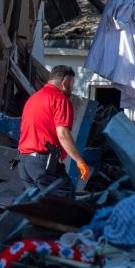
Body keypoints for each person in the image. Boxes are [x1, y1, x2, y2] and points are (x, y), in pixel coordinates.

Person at [16, 64, 90, 196]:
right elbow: (63, 134)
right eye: (72, 83)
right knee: (64, 200)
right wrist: (79, 160)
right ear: (64, 82)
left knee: (39, 209)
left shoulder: (33, 99)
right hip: (43, 164)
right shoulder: (60, 99)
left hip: (24, 163)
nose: (72, 88)